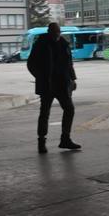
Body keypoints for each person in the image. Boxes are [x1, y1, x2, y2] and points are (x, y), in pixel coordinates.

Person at [27, 22, 81, 154]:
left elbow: (69, 63)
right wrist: (40, 77)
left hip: (62, 84)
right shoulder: (41, 44)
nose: (57, 34)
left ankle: (65, 139)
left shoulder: (63, 44)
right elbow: (31, 63)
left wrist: (73, 79)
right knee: (44, 113)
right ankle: (41, 141)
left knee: (69, 109)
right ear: (49, 32)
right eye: (54, 32)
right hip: (47, 85)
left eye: (58, 32)